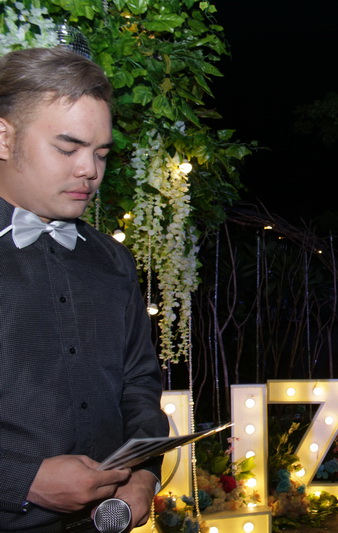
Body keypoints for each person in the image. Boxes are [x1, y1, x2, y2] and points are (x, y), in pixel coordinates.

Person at [0, 47, 168, 532]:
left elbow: (139, 382)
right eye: (68, 148)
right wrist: (20, 480)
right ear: (4, 138)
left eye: (100, 153)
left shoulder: (113, 260)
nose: (89, 171)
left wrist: (144, 473)